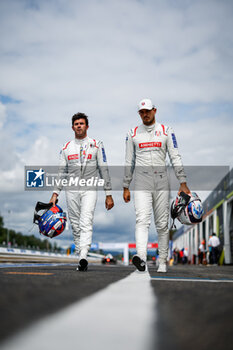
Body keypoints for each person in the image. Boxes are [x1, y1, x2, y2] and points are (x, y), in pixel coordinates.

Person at [123, 98, 190, 273]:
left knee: (162, 224)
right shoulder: (132, 133)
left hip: (161, 180)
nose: (145, 114)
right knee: (142, 220)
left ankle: (162, 262)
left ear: (154, 110)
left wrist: (182, 182)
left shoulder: (166, 131)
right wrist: (125, 186)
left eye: (148, 111)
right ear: (139, 114)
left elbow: (175, 157)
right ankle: (141, 258)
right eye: (141, 112)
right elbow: (128, 161)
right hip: (141, 181)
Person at [50, 113, 114, 271]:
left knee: (86, 221)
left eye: (82, 123)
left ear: (87, 126)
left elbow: (104, 169)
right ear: (72, 127)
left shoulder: (97, 144)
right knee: (76, 225)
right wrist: (55, 194)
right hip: (71, 189)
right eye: (76, 124)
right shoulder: (66, 148)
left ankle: (84, 255)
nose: (79, 126)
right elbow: (61, 173)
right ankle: (81, 256)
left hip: (90, 188)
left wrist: (108, 194)